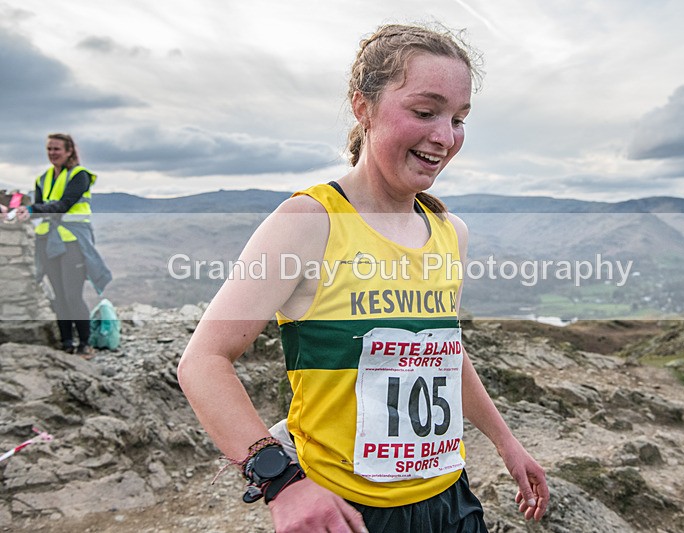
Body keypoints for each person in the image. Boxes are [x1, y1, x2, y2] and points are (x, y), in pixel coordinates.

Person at [177, 23, 549, 532]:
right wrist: (282, 482)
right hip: (350, 511)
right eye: (424, 111)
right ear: (363, 106)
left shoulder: (449, 232)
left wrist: (507, 443)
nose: (445, 136)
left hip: (450, 498)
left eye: (458, 118)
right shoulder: (310, 222)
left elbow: (442, 351)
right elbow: (203, 362)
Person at [3, 133, 112, 357]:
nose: (52, 153)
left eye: (57, 149)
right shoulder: (42, 178)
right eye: (49, 149)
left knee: (73, 295)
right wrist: (18, 211)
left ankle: (84, 343)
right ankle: (66, 342)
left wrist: (32, 210)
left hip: (72, 241)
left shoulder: (80, 176)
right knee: (59, 295)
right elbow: (40, 206)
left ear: (69, 150)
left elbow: (63, 204)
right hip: (46, 241)